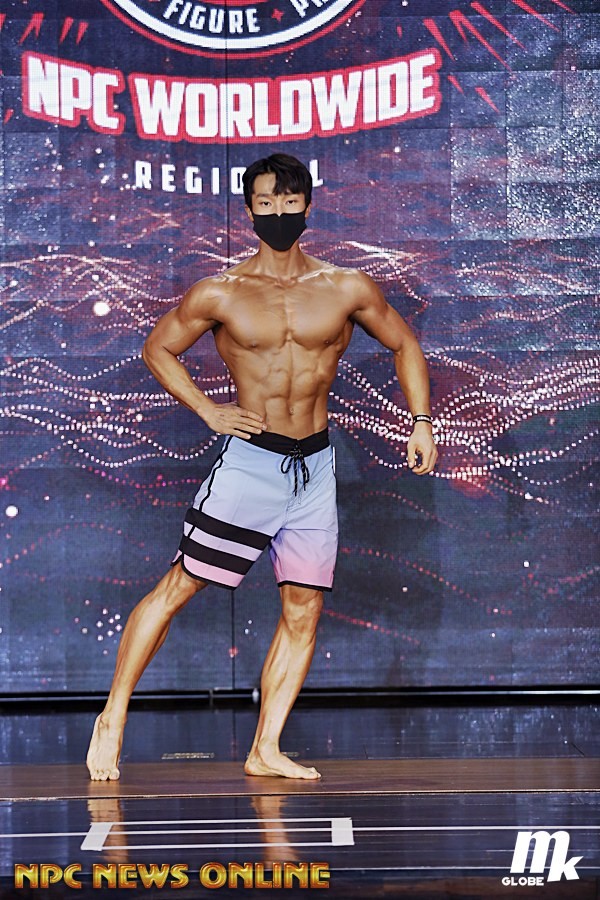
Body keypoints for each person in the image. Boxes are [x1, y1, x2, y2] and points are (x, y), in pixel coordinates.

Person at [86, 153, 438, 782]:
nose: (279, 212)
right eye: (267, 202)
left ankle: (265, 748)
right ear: (249, 210)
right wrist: (207, 410)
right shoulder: (221, 292)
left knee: (304, 608)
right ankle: (111, 717)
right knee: (180, 587)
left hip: (316, 468)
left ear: (307, 205)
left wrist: (421, 420)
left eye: (289, 201)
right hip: (251, 465)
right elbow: (158, 347)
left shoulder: (346, 287)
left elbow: (404, 342)